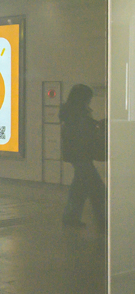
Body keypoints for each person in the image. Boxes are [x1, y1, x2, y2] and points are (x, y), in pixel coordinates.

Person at [60, 83, 106, 229]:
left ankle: (70, 217)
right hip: (81, 155)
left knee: (80, 188)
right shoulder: (78, 113)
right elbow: (82, 133)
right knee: (97, 188)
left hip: (78, 155)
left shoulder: (71, 112)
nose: (89, 101)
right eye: (88, 98)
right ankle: (102, 221)